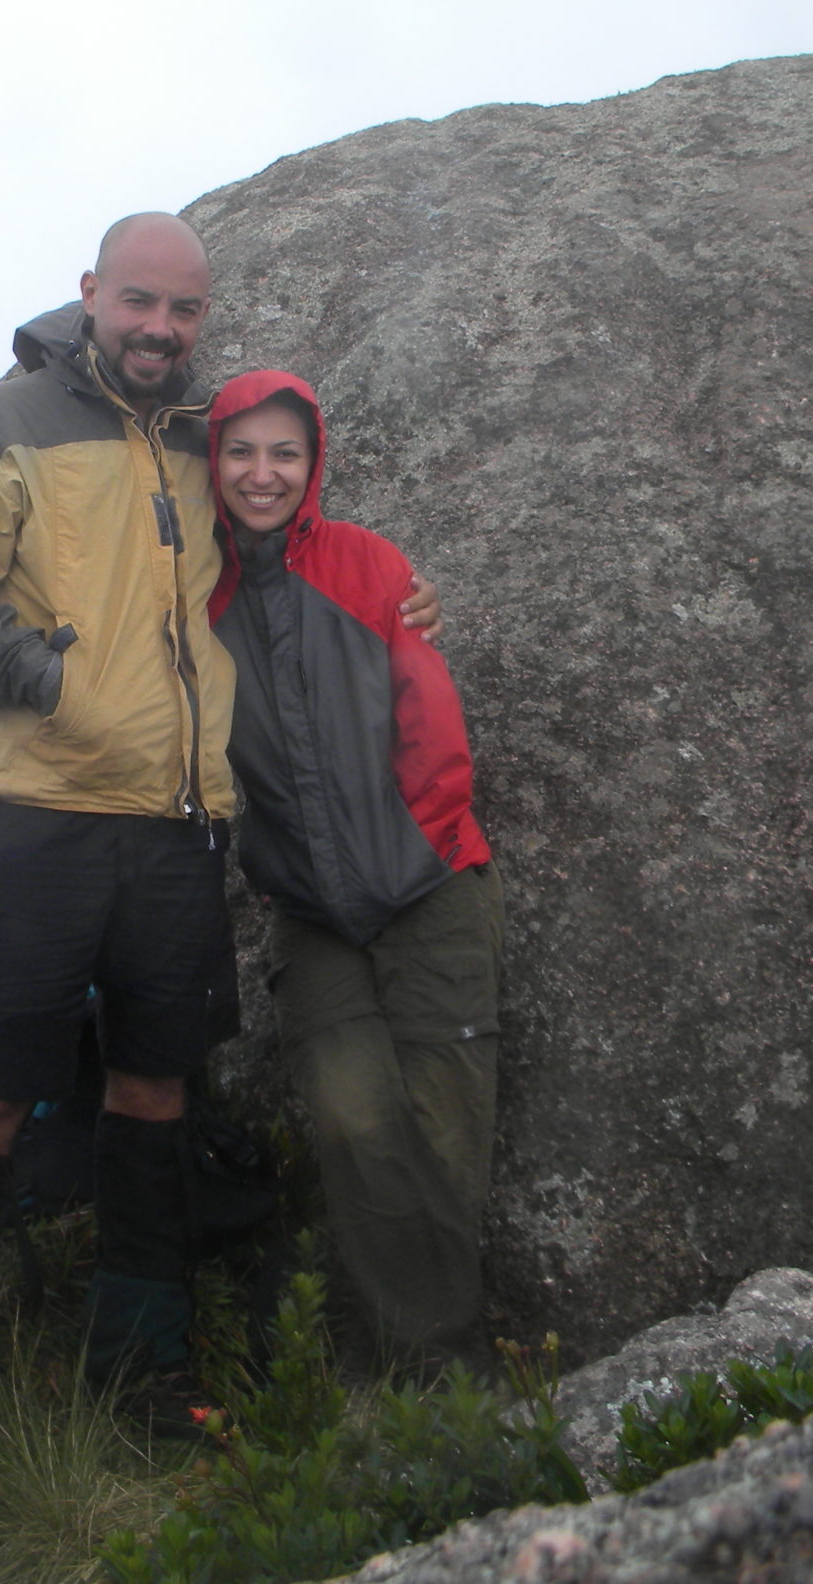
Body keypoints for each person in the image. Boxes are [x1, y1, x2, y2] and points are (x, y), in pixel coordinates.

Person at [0, 216, 436, 1427]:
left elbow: (290, 534)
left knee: (155, 1088)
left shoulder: (200, 437)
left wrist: (402, 594)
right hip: (39, 814)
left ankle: (141, 1374)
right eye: (139, 303)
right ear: (90, 294)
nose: (159, 330)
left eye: (183, 312)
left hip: (181, 829)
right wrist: (47, 683)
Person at [206, 369, 502, 1365]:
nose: (261, 473)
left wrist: (400, 857)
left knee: (445, 1131)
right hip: (307, 912)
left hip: (429, 887)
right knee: (355, 1126)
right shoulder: (195, 595)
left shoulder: (370, 565)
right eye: (240, 450)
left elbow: (433, 730)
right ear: (213, 460)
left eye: (283, 452)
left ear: (313, 461)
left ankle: (429, 1380)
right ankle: (437, 1381)